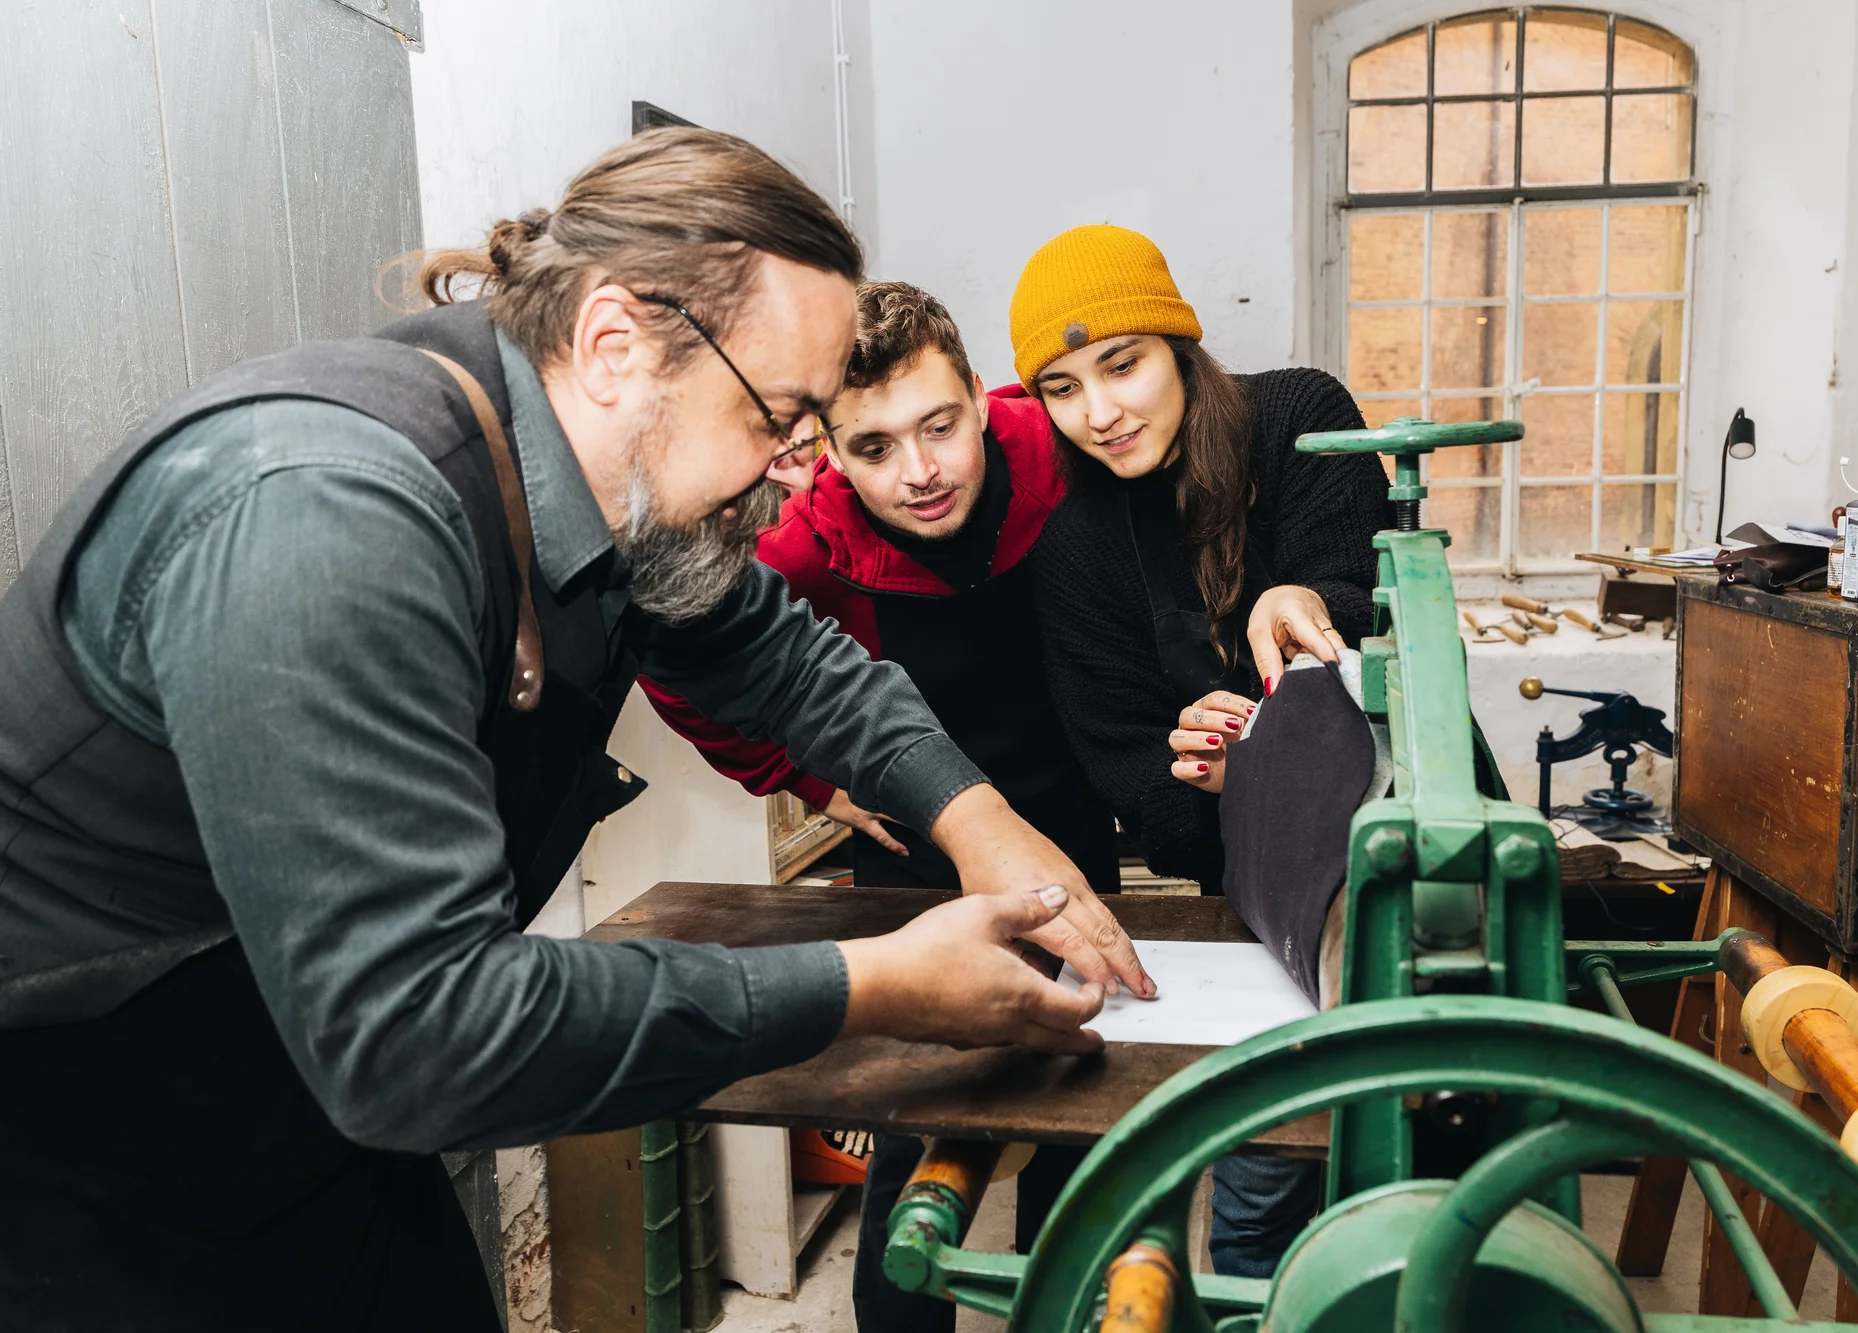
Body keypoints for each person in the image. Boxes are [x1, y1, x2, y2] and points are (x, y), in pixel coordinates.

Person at [0, 130, 1149, 1332]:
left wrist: (979, 819)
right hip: (92, 1166)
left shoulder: (611, 487)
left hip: (308, 1126)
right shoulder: (326, 517)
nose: (784, 471)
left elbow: (783, 655)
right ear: (615, 346)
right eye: (778, 418)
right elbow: (419, 1031)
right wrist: (868, 984)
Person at [641, 281, 1123, 1329]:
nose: (919, 473)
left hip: (1069, 836)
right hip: (911, 873)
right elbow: (676, 673)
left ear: (983, 398)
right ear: (823, 447)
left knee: (1083, 1121)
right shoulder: (802, 545)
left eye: (940, 427)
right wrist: (813, 781)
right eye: (872, 447)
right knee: (916, 1130)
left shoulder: (1056, 446)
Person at [1010, 224, 1392, 1278]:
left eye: (1121, 364)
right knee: (1263, 1187)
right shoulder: (1076, 549)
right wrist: (1219, 779)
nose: (1099, 412)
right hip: (1259, 903)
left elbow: (1369, 614)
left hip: (1395, 863)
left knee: (1418, 1172)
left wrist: (1305, 604)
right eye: (1060, 387)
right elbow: (1134, 778)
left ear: (1179, 344)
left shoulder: (1302, 420)